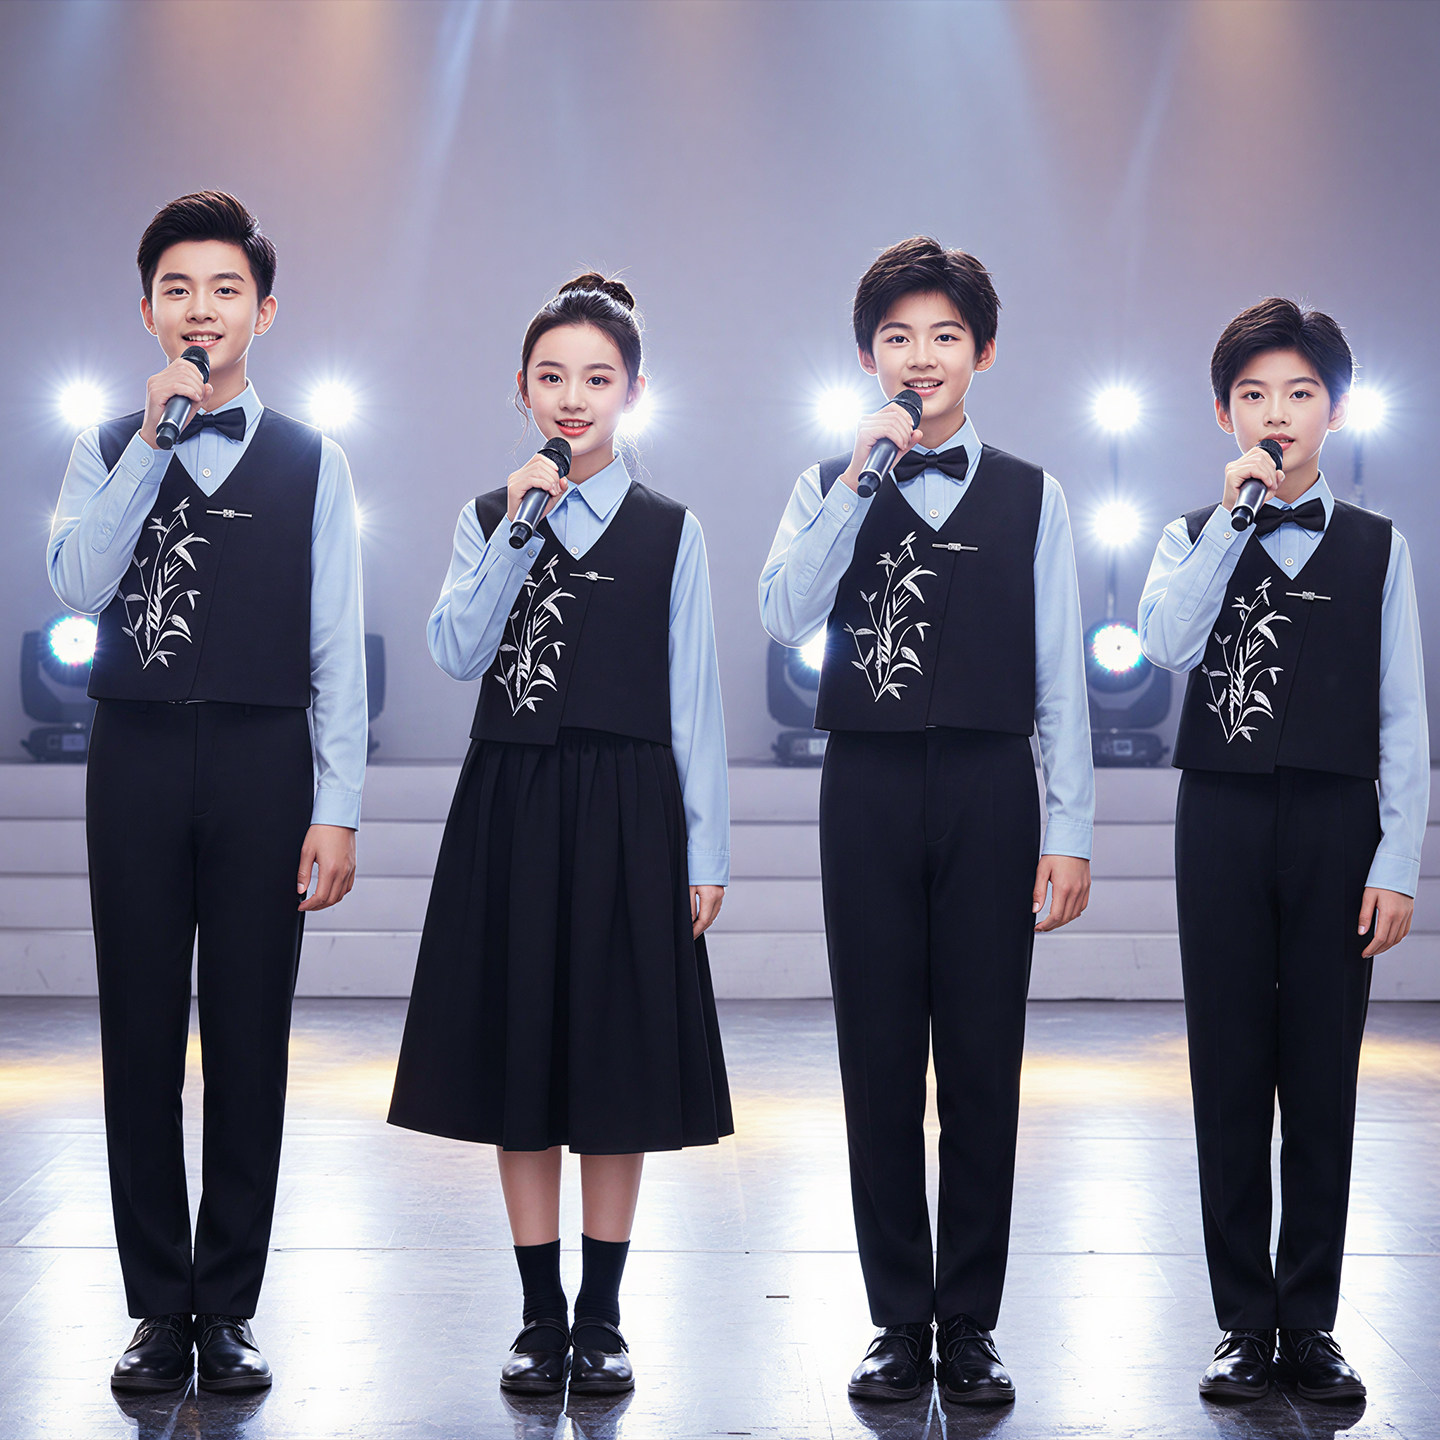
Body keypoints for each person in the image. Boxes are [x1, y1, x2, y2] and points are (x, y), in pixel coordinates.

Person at [759, 236, 1093, 1407]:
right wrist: (861, 481)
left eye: (945, 335)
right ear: (867, 357)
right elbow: (783, 610)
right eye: (897, 337)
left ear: (982, 353)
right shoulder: (830, 481)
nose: (921, 356)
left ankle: (973, 1323)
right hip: (867, 784)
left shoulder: (1037, 494)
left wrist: (1071, 827)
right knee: (880, 1058)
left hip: (993, 789)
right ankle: (899, 1319)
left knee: (986, 1063)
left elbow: (1062, 674)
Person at [388, 274, 732, 1398]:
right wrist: (514, 529)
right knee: (521, 1060)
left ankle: (603, 1315)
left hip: (629, 808)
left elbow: (695, 698)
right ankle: (539, 1316)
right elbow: (455, 650)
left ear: (634, 391)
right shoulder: (490, 516)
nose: (573, 397)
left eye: (596, 377)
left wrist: (704, 852)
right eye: (551, 377)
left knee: (617, 1066)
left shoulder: (672, 530)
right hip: (514, 802)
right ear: (522, 391)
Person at [47, 191, 367, 1392]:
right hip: (132, 756)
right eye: (177, 289)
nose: (201, 308)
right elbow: (78, 583)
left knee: (248, 1038)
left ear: (263, 313)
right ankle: (155, 1309)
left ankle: (227, 1306)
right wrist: (148, 445)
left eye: (225, 289)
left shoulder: (314, 460)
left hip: (263, 762)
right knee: (137, 1035)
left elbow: (335, 643)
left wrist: (336, 804)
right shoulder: (103, 447)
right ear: (147, 311)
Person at [1138, 297, 1427, 1405]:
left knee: (1321, 1076)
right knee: (1226, 1073)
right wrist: (1230, 524)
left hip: (1336, 824)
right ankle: (1241, 1325)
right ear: (1224, 413)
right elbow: (1165, 645)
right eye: (1254, 394)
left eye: (1300, 393)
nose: (1277, 413)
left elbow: (1404, 715)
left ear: (1335, 411)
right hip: (1218, 816)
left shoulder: (1380, 547)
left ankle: (1309, 1321)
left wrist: (1395, 859)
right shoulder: (1189, 534)